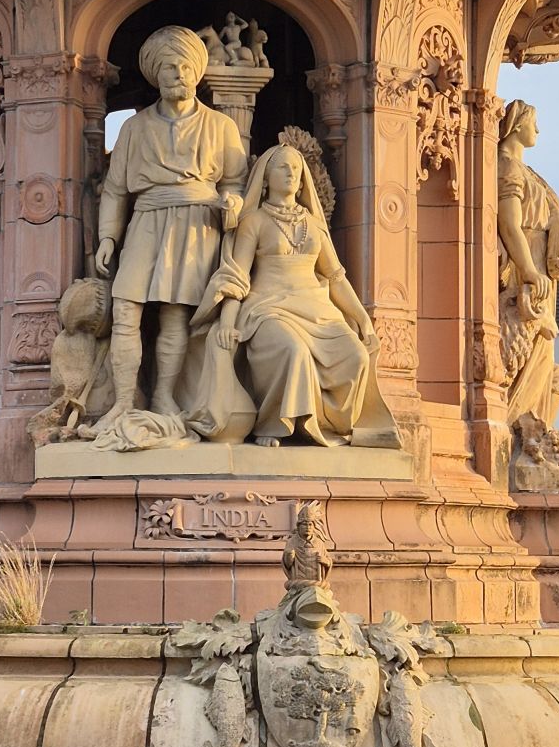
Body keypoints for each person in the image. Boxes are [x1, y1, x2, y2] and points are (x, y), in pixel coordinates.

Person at [93, 25, 247, 425]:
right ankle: (124, 400)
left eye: (184, 66)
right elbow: (114, 189)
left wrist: (233, 200)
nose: (178, 73)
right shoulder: (134, 128)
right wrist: (108, 236)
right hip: (146, 220)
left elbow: (234, 180)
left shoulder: (221, 127)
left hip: (196, 225)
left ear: (196, 72)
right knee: (126, 308)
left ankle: (163, 396)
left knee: (175, 314)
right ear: (155, 76)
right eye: (168, 68)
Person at [190, 144, 380, 446]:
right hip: (268, 309)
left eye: (296, 168)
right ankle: (273, 425)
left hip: (318, 312)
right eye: (283, 167)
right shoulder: (255, 222)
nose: (291, 173)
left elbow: (336, 278)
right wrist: (227, 321)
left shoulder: (314, 225)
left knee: (356, 357)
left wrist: (362, 320)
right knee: (294, 352)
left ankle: (327, 426)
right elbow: (236, 277)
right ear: (265, 177)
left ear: (304, 179)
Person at [497, 99, 559, 430]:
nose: (538, 130)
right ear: (517, 125)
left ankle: (530, 423)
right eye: (534, 123)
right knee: (533, 339)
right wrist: (527, 269)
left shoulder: (527, 172)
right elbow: (509, 225)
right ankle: (514, 420)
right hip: (525, 263)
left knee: (544, 345)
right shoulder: (508, 167)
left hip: (538, 265)